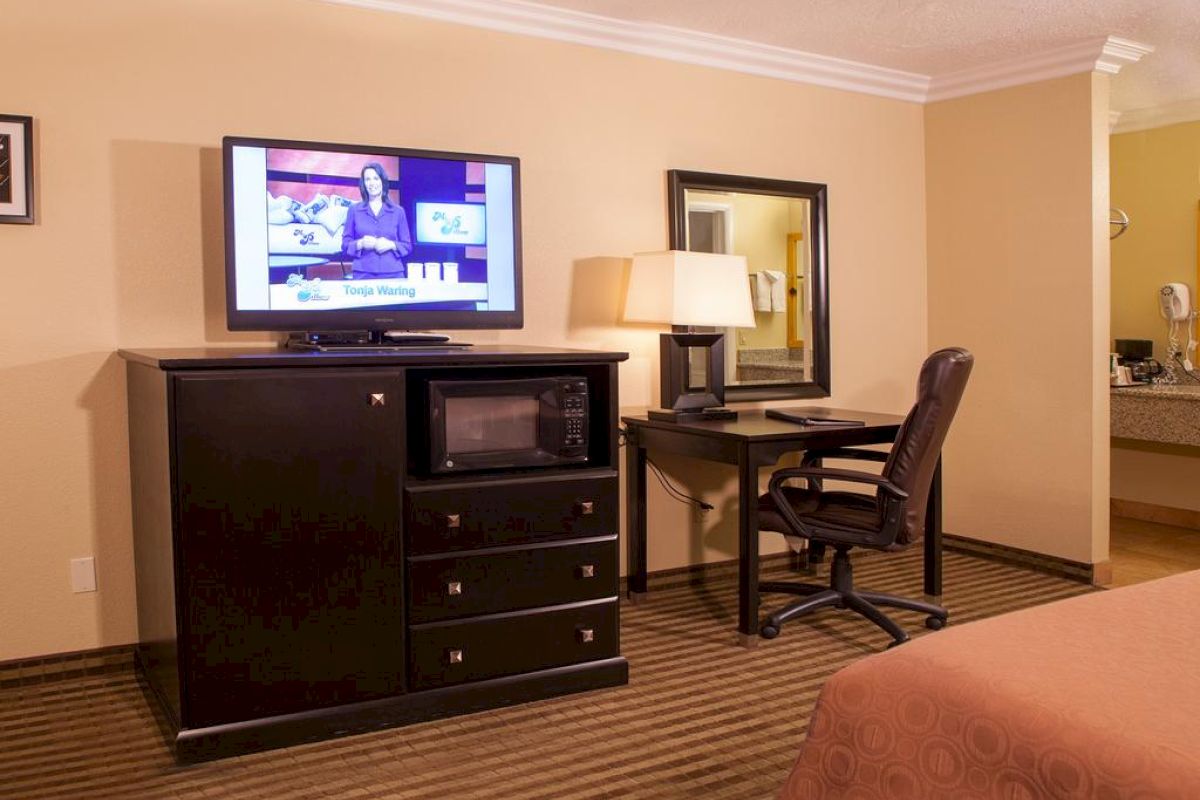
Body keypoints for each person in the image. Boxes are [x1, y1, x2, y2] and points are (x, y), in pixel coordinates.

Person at [341, 162, 413, 279]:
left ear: (382, 182)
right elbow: (345, 245)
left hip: (393, 274)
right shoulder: (354, 210)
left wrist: (391, 245)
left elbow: (407, 246)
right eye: (367, 179)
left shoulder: (398, 211)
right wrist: (360, 243)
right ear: (363, 184)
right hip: (363, 273)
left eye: (375, 178)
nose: (372, 183)